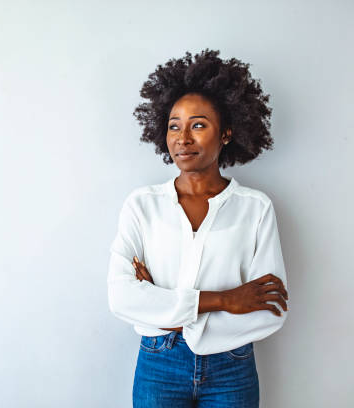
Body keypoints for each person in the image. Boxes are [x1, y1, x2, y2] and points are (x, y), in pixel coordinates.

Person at [107, 48, 289, 407]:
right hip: (159, 364)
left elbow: (271, 311)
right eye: (174, 125)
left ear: (226, 133)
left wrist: (163, 308)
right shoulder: (142, 205)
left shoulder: (255, 208)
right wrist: (225, 300)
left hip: (231, 367)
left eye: (199, 125)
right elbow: (121, 297)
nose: (182, 137)